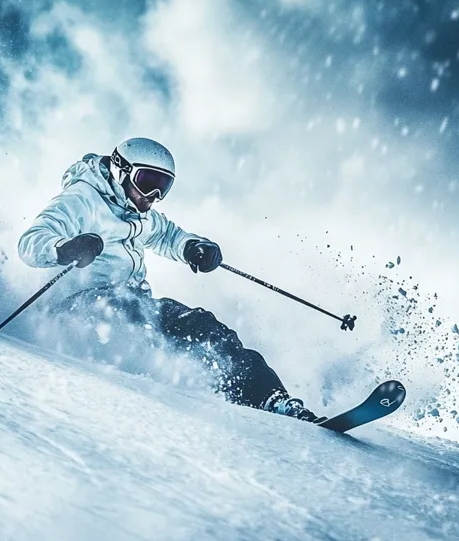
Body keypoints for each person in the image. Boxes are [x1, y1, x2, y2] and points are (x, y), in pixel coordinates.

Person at [18, 137, 322, 422]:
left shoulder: (139, 211)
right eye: (147, 182)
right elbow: (31, 242)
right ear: (120, 171)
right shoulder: (81, 199)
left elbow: (167, 235)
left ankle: (270, 398)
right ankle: (194, 390)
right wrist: (66, 248)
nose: (154, 196)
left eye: (163, 186)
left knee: (202, 325)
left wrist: (193, 247)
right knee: (135, 320)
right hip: (79, 307)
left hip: (132, 300)